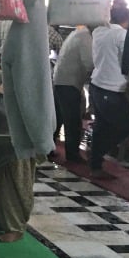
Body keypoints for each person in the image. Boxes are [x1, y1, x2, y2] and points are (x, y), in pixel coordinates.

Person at [89, 5, 129, 178]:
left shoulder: (99, 31)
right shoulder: (121, 34)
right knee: (125, 124)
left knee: (102, 126)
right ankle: (98, 154)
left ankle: (95, 164)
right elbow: (127, 60)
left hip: (97, 85)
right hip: (111, 88)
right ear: (127, 19)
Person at [52, 26, 95, 163]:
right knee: (73, 120)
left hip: (61, 79)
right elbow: (90, 63)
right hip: (69, 82)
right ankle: (72, 155)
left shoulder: (78, 32)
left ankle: (48, 149)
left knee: (58, 118)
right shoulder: (85, 37)